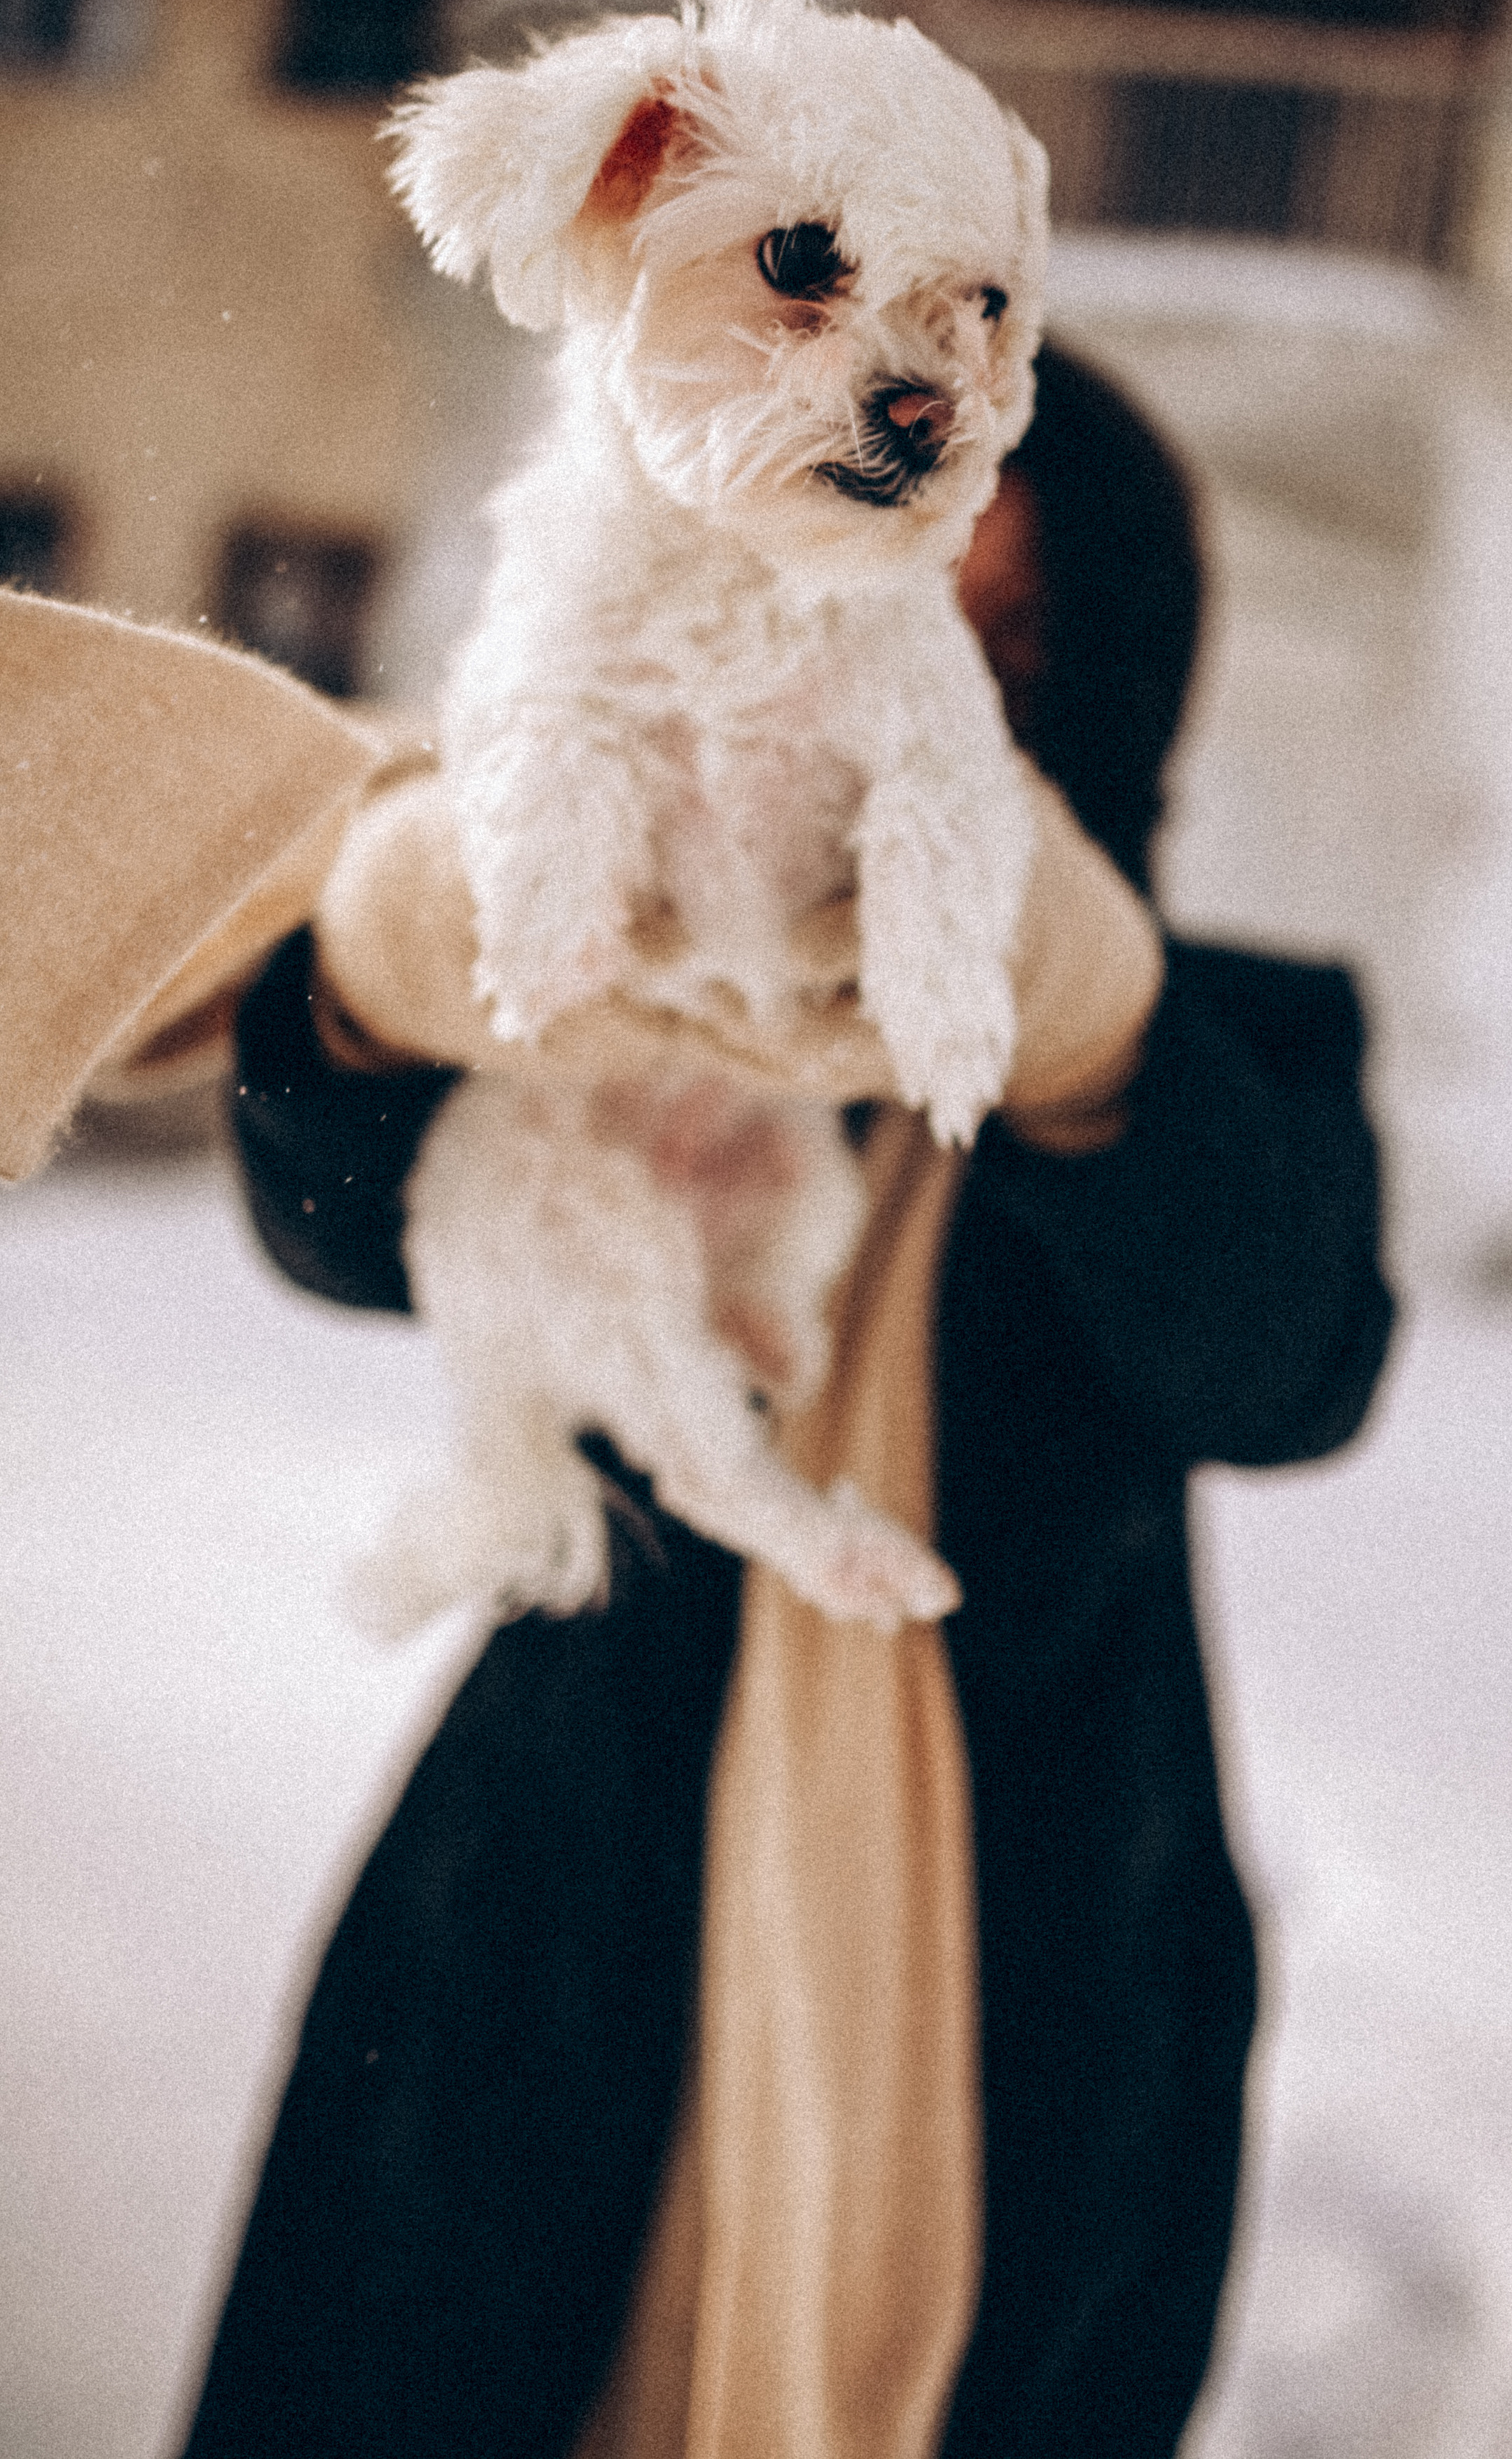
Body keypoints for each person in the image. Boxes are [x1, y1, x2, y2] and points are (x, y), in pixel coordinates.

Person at [177, 344, 1394, 2459]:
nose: (928, 672)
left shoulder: (1232, 1040)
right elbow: (339, 1229)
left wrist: (1077, 1022)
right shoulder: (642, 963)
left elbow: (1281, 1365)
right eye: (880, 591)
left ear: (1104, 665)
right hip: (560, 1880)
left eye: (999, 630)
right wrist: (384, 967)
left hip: (1025, 1917)